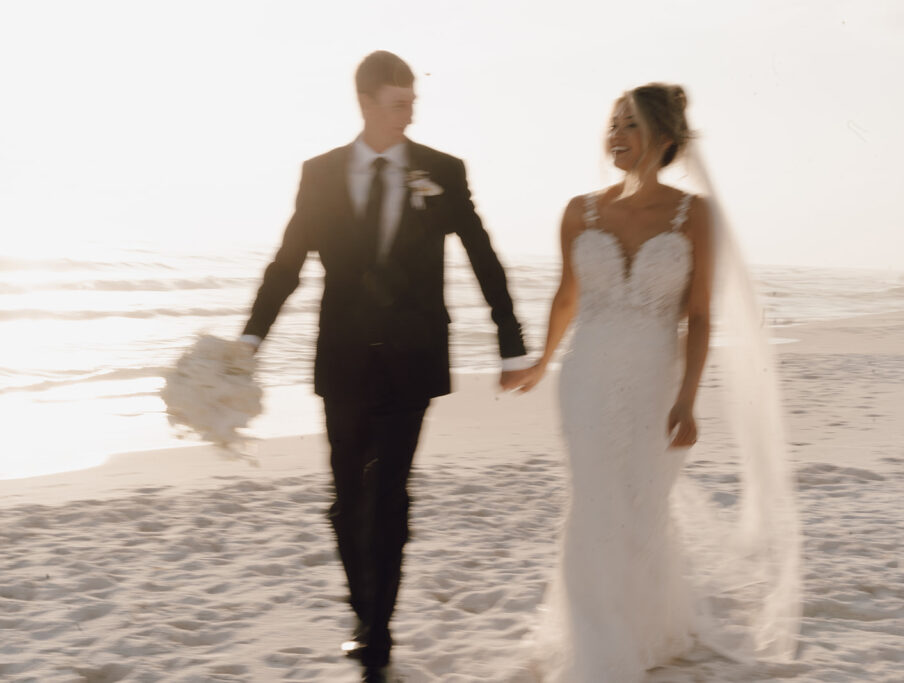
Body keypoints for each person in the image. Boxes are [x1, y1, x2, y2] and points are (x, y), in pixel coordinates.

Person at [240, 51, 530, 682]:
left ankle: (378, 632)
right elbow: (287, 264)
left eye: (413, 104)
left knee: (389, 494)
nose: (409, 115)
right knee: (345, 500)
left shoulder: (442, 171)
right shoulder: (320, 174)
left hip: (413, 358)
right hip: (341, 356)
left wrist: (510, 338)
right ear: (367, 102)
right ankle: (361, 608)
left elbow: (484, 255)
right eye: (398, 104)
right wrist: (249, 342)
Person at [512, 84, 801, 681]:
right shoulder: (578, 211)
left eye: (631, 125)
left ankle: (645, 628)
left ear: (665, 139)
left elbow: (698, 314)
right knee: (593, 504)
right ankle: (597, 644)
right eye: (613, 124)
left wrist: (687, 398)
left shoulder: (693, 215)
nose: (616, 135)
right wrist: (542, 360)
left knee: (642, 505)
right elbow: (568, 295)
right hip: (586, 375)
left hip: (654, 379)